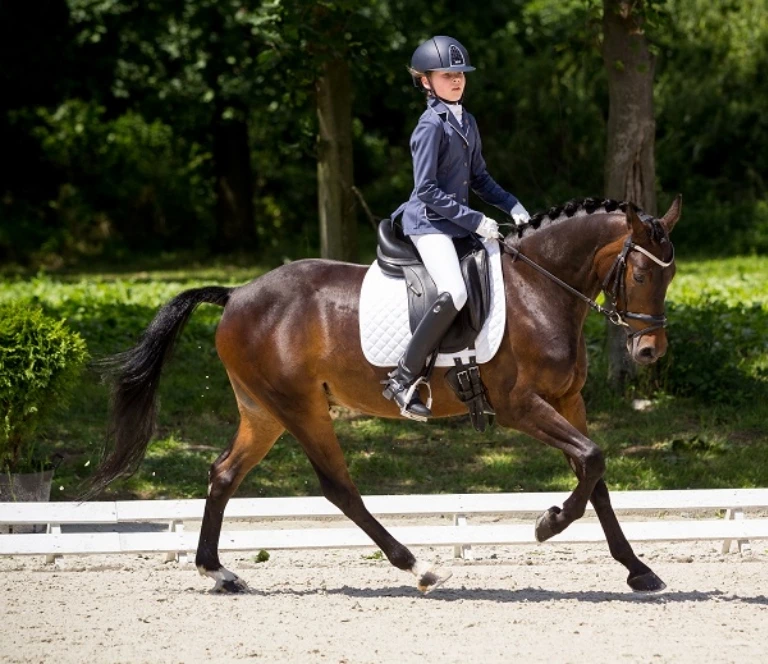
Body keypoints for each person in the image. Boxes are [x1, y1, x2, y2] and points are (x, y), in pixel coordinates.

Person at [382, 35, 530, 420]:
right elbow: (426, 190)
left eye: (460, 74)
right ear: (426, 81)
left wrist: (511, 205)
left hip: (456, 225)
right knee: (455, 291)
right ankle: (401, 379)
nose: (457, 80)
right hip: (428, 224)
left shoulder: (468, 121)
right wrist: (476, 220)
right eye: (447, 74)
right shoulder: (430, 126)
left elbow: (479, 178)